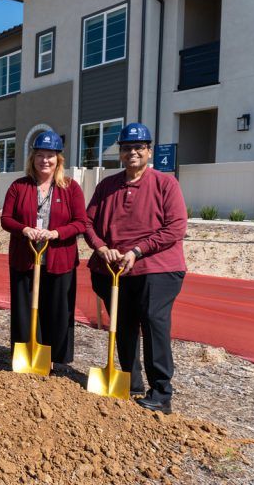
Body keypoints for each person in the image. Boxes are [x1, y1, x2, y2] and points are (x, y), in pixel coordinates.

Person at [85, 122, 187, 414]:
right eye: (127, 147)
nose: (133, 152)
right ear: (120, 152)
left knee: (154, 322)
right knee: (123, 325)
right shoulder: (107, 186)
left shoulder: (165, 184)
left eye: (139, 147)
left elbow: (176, 227)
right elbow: (87, 223)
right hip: (113, 269)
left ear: (149, 151)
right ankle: (130, 381)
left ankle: (161, 392)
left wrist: (137, 251)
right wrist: (101, 247)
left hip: (157, 267)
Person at [0, 131, 87, 370]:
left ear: (58, 159)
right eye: (40, 155)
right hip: (25, 258)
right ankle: (27, 353)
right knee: (25, 310)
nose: (45, 160)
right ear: (33, 158)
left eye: (50, 156)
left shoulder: (71, 188)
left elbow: (81, 222)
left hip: (60, 259)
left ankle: (56, 359)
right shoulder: (19, 186)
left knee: (57, 310)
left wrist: (57, 233)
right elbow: (6, 219)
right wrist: (25, 229)